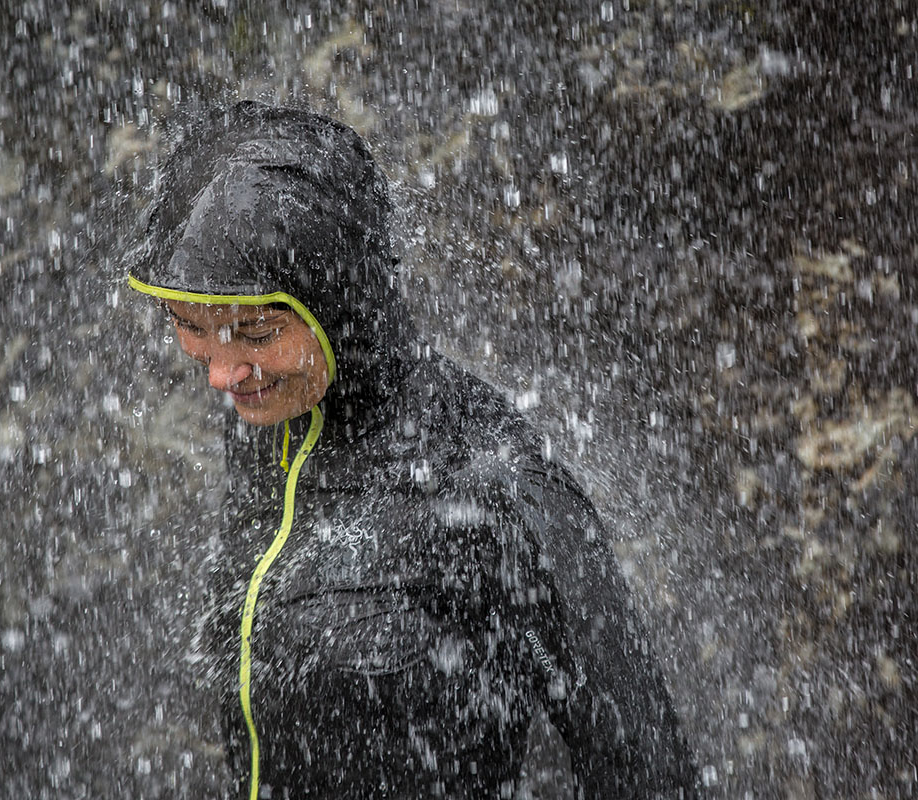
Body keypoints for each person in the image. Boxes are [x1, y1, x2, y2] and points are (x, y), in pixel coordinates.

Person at [124, 100, 699, 799]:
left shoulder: (494, 482)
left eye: (251, 332)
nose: (219, 373)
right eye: (189, 325)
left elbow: (645, 769)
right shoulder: (275, 421)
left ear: (336, 302)